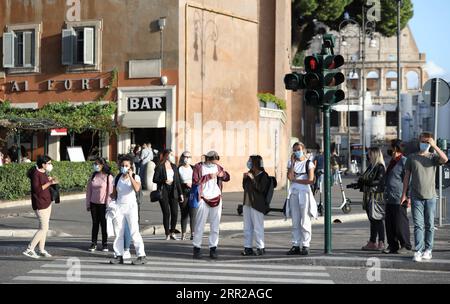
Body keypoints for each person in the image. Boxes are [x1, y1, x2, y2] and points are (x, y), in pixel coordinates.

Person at [401, 132, 448, 262]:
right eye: (423, 141)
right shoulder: (411, 157)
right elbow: (406, 177)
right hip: (416, 196)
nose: (424, 144)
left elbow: (445, 159)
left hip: (431, 197)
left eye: (427, 142)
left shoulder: (433, 157)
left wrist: (435, 146)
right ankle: (419, 250)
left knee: (429, 224)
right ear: (419, 141)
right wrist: (404, 194)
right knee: (418, 225)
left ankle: (428, 250)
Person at [192, 151, 230, 259]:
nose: (215, 164)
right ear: (208, 159)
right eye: (213, 161)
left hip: (216, 197)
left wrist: (224, 175)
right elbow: (195, 181)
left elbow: (227, 177)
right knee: (200, 225)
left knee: (215, 225)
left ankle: (213, 248)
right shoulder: (198, 167)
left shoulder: (217, 167)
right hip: (203, 198)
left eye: (216, 162)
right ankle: (197, 248)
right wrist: (208, 176)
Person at [110, 156, 146, 265]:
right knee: (118, 232)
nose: (124, 168)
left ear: (131, 167)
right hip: (119, 207)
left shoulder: (136, 177)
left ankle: (141, 255)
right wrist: (110, 198)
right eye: (122, 166)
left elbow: (137, 188)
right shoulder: (117, 178)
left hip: (131, 207)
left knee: (134, 230)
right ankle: (119, 255)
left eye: (126, 166)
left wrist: (130, 176)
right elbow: (114, 194)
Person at [285, 142, 317, 256]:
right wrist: (293, 163)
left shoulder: (309, 163)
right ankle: (295, 244)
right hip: (294, 192)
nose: (296, 152)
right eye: (294, 150)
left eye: (298, 149)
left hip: (305, 193)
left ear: (303, 149)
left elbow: (310, 179)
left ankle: (305, 244)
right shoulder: (291, 163)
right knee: (295, 219)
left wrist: (297, 180)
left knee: (305, 219)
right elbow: (289, 177)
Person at [23, 155, 58, 259]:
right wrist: (49, 182)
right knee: (43, 228)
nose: (50, 165)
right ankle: (29, 249)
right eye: (49, 163)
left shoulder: (44, 172)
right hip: (40, 204)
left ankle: (41, 250)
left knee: (44, 228)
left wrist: (51, 181)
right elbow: (37, 189)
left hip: (47, 202)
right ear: (43, 164)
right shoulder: (36, 174)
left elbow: (45, 184)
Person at [383, 140, 412, 254]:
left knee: (400, 223)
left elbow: (408, 180)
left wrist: (408, 196)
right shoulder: (392, 161)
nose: (388, 149)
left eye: (390, 146)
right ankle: (392, 245)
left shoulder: (404, 161)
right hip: (389, 197)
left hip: (400, 197)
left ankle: (406, 245)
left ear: (395, 148)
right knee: (390, 224)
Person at [241, 155, 270, 256]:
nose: (248, 163)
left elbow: (261, 189)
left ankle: (260, 247)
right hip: (247, 203)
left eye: (250, 161)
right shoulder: (250, 173)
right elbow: (245, 187)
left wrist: (253, 179)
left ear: (255, 164)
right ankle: (247, 247)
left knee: (258, 227)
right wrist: (245, 179)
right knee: (247, 227)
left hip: (257, 204)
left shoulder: (264, 175)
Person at [358, 147, 386, 251]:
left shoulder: (380, 167)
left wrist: (365, 182)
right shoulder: (371, 166)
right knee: (372, 220)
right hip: (368, 196)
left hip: (376, 197)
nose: (367, 156)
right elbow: (365, 178)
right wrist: (358, 183)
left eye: (369, 154)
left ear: (374, 155)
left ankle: (381, 242)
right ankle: (372, 241)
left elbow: (379, 181)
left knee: (377, 219)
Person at [153, 149, 184, 240]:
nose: (172, 156)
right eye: (170, 154)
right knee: (166, 213)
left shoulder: (174, 166)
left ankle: (172, 232)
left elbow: (177, 181)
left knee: (175, 212)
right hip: (163, 191)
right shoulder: (160, 166)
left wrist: (180, 193)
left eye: (172, 154)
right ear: (166, 155)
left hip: (173, 191)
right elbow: (154, 179)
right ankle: (167, 233)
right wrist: (163, 180)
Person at [86, 157, 114, 252]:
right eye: (95, 164)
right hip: (93, 203)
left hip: (104, 205)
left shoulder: (108, 176)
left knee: (104, 224)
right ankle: (93, 243)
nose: (96, 166)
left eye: (97, 164)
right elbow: (88, 190)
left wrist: (108, 204)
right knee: (95, 224)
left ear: (102, 165)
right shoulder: (93, 175)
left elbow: (110, 191)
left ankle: (104, 244)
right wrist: (88, 204)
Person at [178, 151, 196, 241]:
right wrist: (184, 185)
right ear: (182, 157)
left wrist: (193, 184)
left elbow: (197, 180)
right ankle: (183, 234)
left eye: (189, 157)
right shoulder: (179, 169)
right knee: (184, 214)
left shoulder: (193, 168)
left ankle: (193, 233)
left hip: (193, 193)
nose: (187, 159)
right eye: (185, 157)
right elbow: (177, 183)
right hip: (183, 193)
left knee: (193, 214)